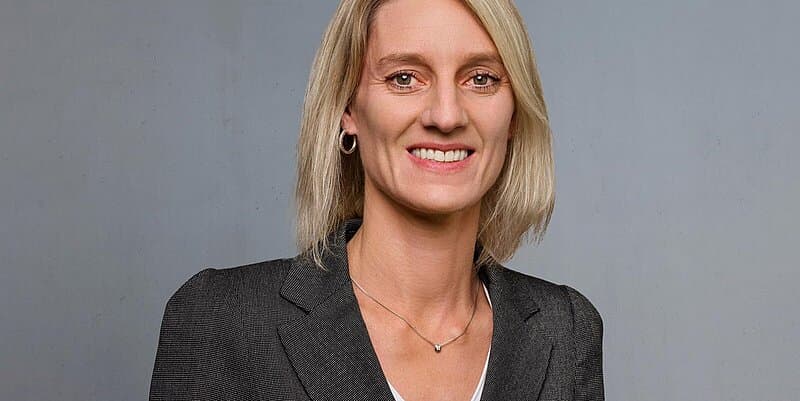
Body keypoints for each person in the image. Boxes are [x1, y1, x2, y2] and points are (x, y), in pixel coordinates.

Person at [149, 0, 604, 400]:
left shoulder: (567, 329)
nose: (446, 115)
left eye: (480, 79)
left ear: (514, 114)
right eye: (405, 78)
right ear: (348, 107)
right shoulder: (221, 319)